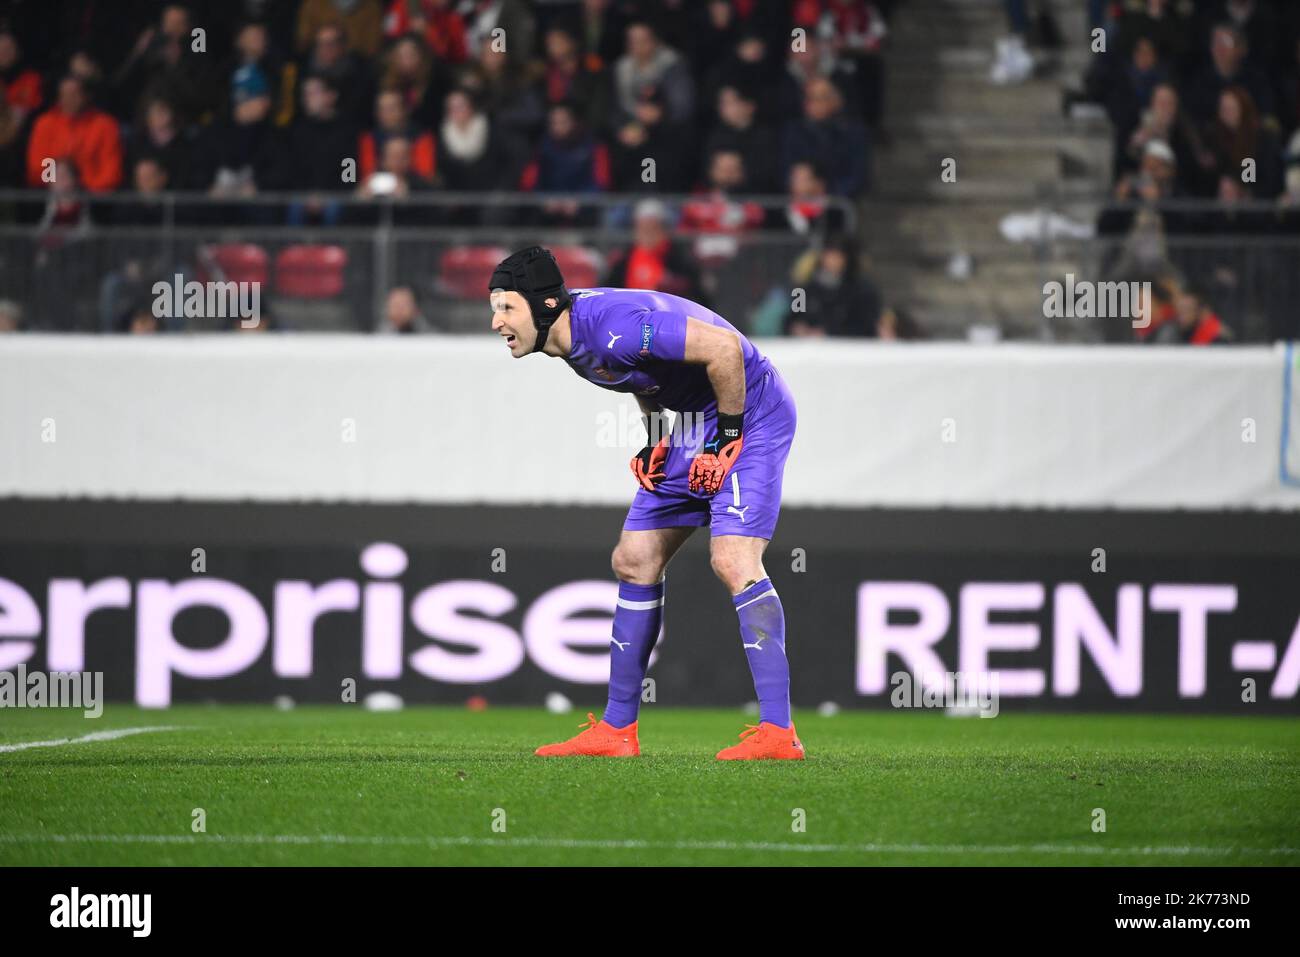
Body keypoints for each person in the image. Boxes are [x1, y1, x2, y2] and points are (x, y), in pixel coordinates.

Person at [489, 247, 804, 761]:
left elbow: (725, 350)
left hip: (751, 413)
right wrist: (658, 436)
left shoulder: (613, 328)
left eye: (507, 307)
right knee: (634, 561)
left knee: (732, 560)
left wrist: (725, 442)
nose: (496, 321)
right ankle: (617, 732)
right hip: (696, 419)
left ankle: (778, 733)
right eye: (495, 308)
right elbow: (645, 378)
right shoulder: (569, 342)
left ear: (544, 305)